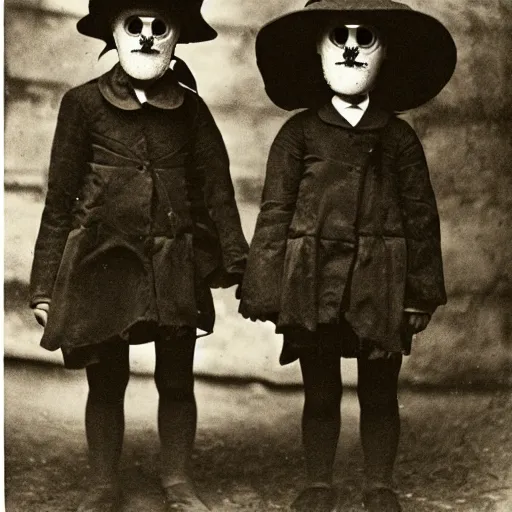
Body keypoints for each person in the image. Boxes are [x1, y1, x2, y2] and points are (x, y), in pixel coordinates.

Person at [29, 1, 248, 510]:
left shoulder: (192, 110)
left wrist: (238, 263)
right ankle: (104, 485)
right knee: (106, 379)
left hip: (174, 264)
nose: (147, 38)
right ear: (113, 31)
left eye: (160, 27)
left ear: (177, 38)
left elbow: (218, 191)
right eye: (135, 25)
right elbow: (59, 200)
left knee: (176, 378)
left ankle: (178, 482)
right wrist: (44, 284)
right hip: (100, 264)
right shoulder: (81, 105)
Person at [239, 1, 456, 510]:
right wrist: (267, 286)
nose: (353, 49)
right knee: (319, 391)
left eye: (366, 38)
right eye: (340, 36)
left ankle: (379, 485)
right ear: (318, 49)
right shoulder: (297, 134)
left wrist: (420, 293)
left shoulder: (398, 137)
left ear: (385, 54)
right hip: (313, 282)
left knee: (379, 391)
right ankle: (319, 482)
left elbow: (422, 216)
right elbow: (275, 211)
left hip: (380, 283)